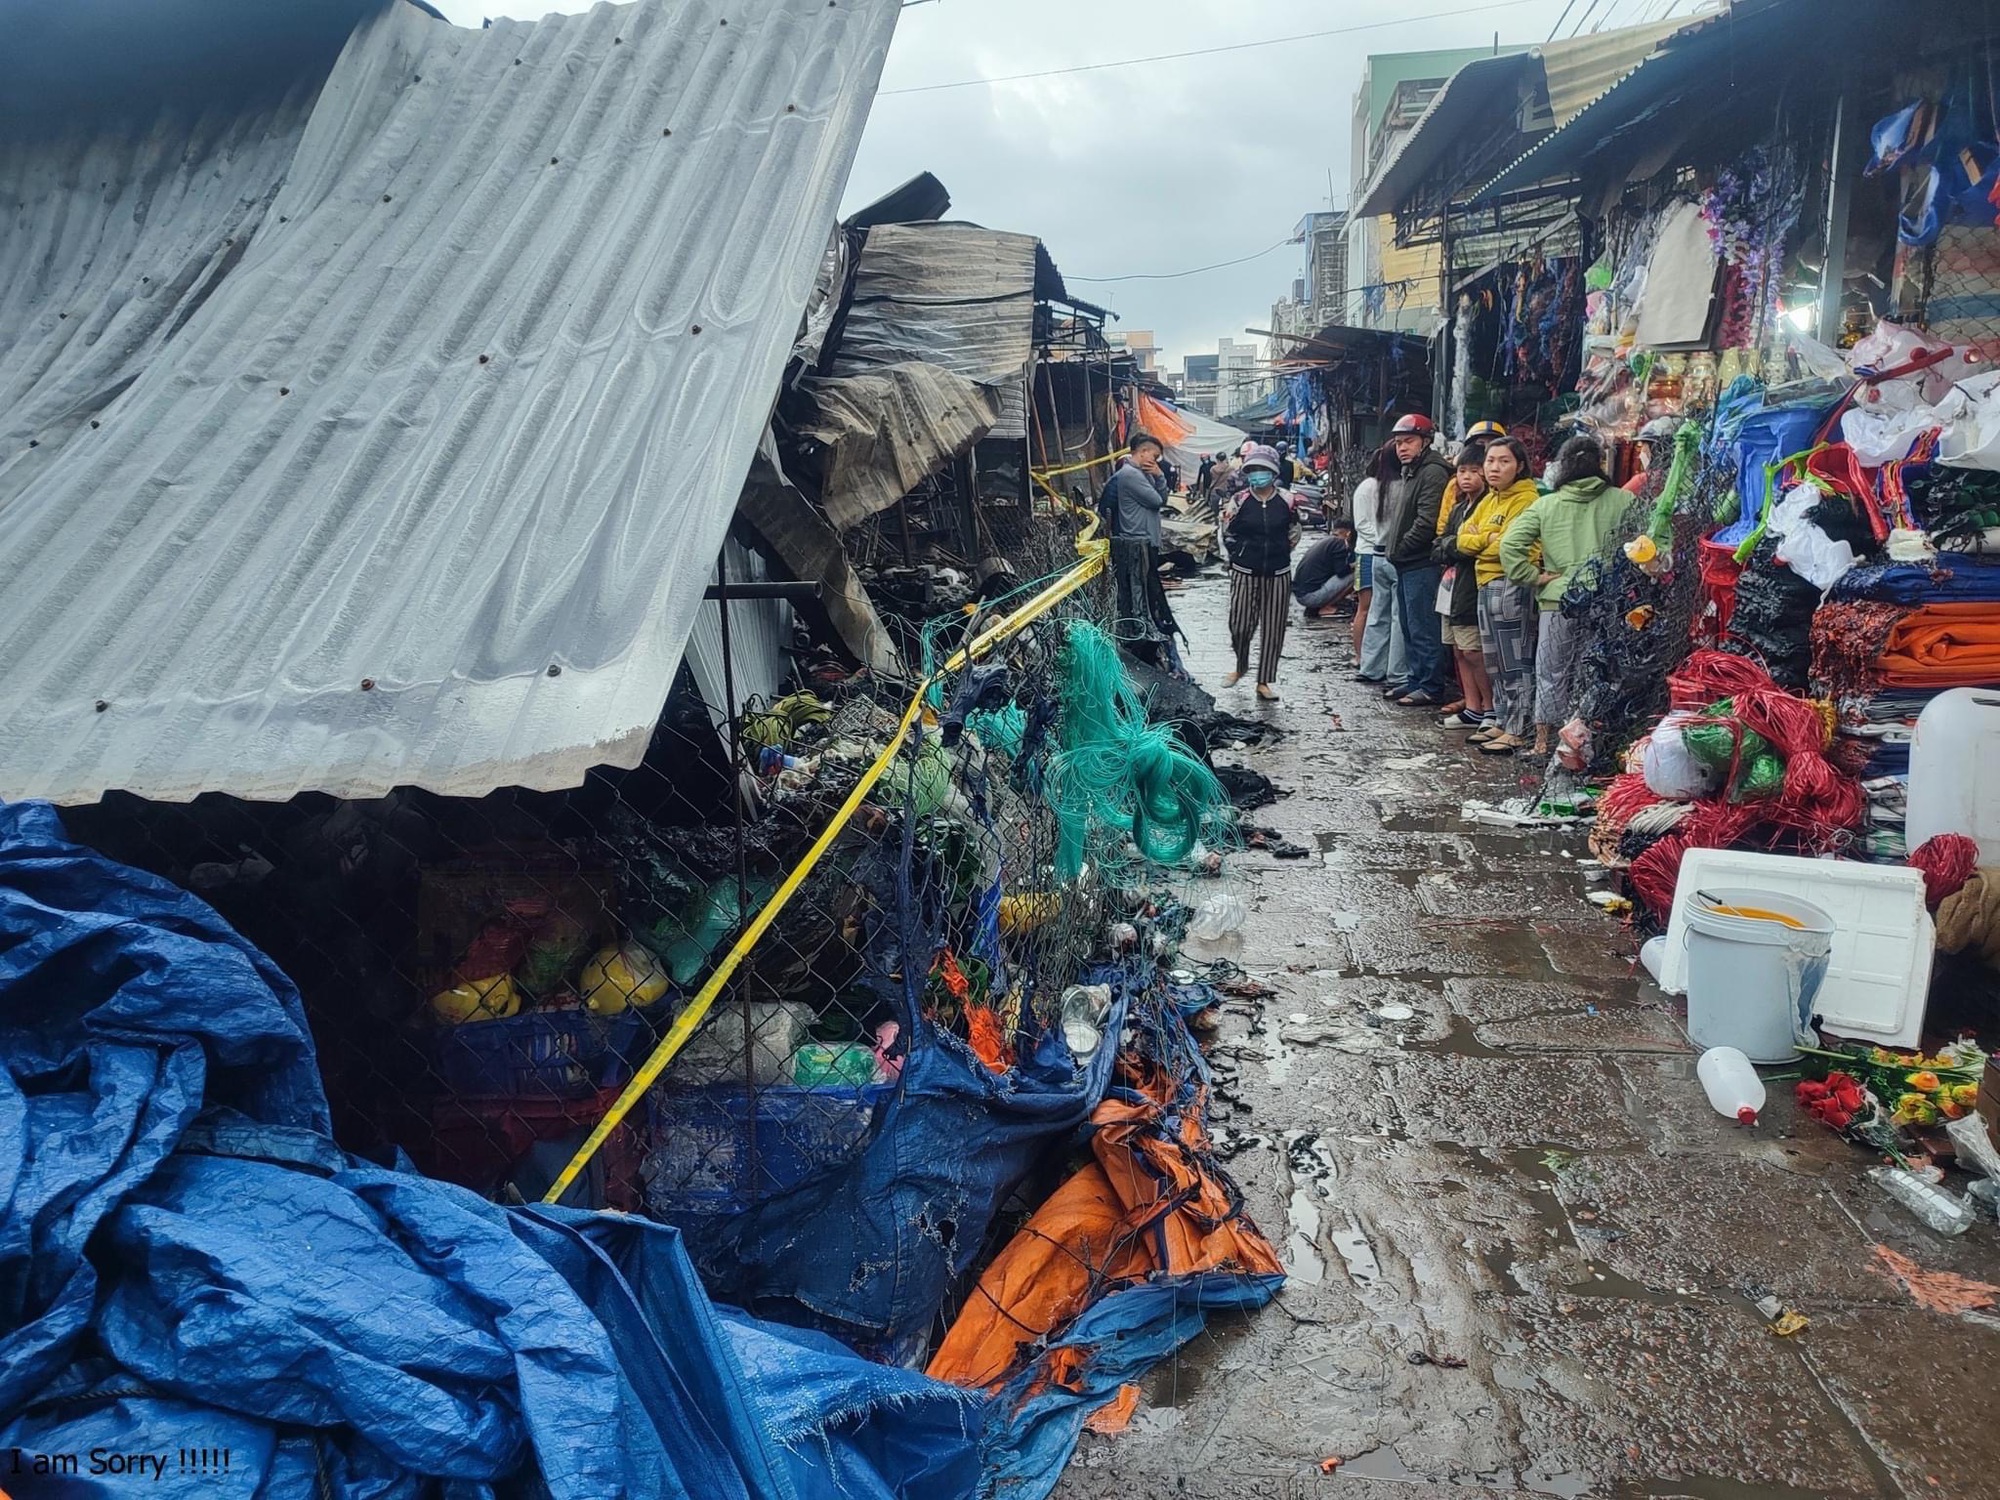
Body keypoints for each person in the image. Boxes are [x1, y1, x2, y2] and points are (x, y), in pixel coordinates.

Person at [1499, 433, 1628, 758]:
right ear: (1600, 464)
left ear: (1564, 466)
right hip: (1604, 601)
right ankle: (1582, 744)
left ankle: (1544, 743)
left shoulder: (1546, 505)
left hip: (1557, 601)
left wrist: (1534, 576)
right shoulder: (1624, 501)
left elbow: (1510, 545)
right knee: (1594, 672)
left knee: (1551, 672)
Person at [1457, 436, 1540, 755]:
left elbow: (1509, 547)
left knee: (1514, 659)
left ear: (1519, 466)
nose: (1494, 467)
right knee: (1494, 660)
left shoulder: (1526, 499)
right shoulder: (1489, 499)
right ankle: (1503, 720)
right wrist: (1484, 540)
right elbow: (1462, 538)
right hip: (1485, 582)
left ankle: (1520, 728)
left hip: (1512, 583)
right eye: (1490, 461)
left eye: (1503, 461)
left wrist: (1484, 540)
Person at [1381, 413, 1455, 707]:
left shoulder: (1433, 472)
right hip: (1406, 563)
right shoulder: (1412, 471)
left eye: (1408, 441)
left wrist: (1400, 549)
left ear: (1425, 441)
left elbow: (1427, 521)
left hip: (1420, 562)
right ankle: (1415, 679)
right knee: (1410, 627)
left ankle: (1430, 685)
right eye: (1399, 443)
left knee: (1423, 627)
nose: (1402, 448)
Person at [1222, 444, 1300, 700]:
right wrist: (1238, 556)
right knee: (1240, 625)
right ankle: (1241, 665)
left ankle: (1264, 681)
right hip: (1244, 571)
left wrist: (1280, 552)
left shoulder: (1287, 500)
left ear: (1273, 471)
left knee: (1273, 628)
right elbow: (1226, 532)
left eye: (1263, 469)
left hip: (1278, 573)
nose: (1257, 474)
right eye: (1252, 470)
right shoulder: (1240, 500)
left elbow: (1294, 532)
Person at [1433, 446, 1493, 729]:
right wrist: (1456, 545)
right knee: (1458, 649)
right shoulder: (1458, 508)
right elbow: (1441, 544)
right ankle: (1472, 707)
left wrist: (1457, 545)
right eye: (1461, 471)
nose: (1466, 477)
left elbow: (1475, 546)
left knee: (1473, 650)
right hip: (1452, 586)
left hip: (1473, 586)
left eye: (1473, 470)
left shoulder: (1487, 506)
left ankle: (1489, 706)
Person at [1102, 432, 1176, 655]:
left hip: (1146, 540)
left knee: (1148, 591)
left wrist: (1157, 477)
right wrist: (1159, 476)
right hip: (1137, 542)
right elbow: (1156, 500)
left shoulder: (1142, 475)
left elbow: (1162, 499)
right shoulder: (1130, 475)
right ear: (1142, 452)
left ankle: (1148, 634)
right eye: (1154, 456)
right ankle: (1140, 638)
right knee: (1140, 592)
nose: (1155, 461)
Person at [1352, 444, 1404, 681]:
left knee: (1376, 612)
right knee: (1383, 613)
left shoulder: (1374, 486)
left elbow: (1363, 525)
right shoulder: (1394, 487)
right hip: (1377, 554)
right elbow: (1362, 525)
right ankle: (1382, 667)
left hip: (1379, 553)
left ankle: (1371, 666)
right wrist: (1386, 540)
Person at [1292, 520, 1356, 620]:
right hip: (1311, 597)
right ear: (1348, 533)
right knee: (1356, 575)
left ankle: (1321, 605)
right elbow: (1341, 572)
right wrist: (1355, 565)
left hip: (1302, 595)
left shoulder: (1327, 541)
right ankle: (1327, 607)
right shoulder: (1339, 543)